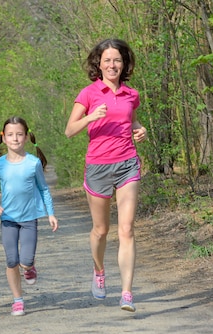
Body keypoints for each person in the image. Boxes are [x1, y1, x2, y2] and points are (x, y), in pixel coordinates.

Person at [64, 38, 147, 312]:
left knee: (127, 229)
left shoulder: (131, 95)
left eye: (118, 60)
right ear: (98, 64)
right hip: (98, 165)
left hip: (127, 163)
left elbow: (130, 120)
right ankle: (99, 270)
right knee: (101, 230)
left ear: (124, 65)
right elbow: (70, 130)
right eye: (108, 60)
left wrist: (139, 129)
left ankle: (126, 292)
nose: (113, 65)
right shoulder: (88, 93)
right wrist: (90, 117)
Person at [0, 116, 59, 316]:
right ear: (4, 137)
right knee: (11, 261)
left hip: (29, 220)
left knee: (25, 261)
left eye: (19, 134)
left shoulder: (33, 163)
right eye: (10, 135)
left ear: (26, 137)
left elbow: (44, 189)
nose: (15, 138)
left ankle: (29, 268)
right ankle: (18, 300)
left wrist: (50, 213)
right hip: (8, 219)